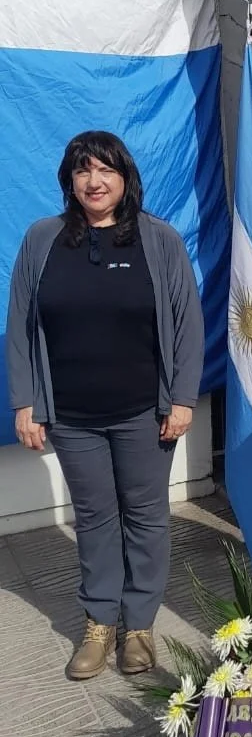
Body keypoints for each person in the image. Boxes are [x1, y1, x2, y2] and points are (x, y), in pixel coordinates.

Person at [6, 131, 204, 680]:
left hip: (145, 411)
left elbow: (188, 322)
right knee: (94, 519)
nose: (94, 182)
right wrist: (26, 402)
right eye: (82, 171)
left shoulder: (158, 240)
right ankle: (99, 623)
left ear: (124, 179)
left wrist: (183, 397)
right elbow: (21, 324)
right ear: (70, 181)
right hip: (72, 416)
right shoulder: (42, 240)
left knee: (144, 517)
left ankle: (137, 626)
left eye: (106, 171)